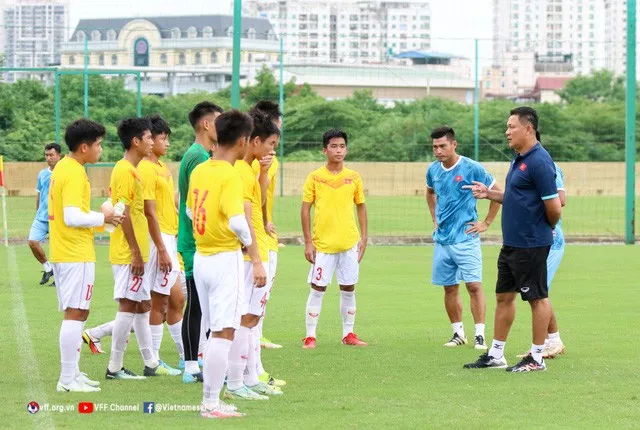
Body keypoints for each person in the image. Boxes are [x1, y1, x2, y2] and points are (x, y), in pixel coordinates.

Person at [463, 106, 562, 372]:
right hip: (512, 244)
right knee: (503, 296)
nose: (507, 132)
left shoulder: (540, 161)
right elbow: (515, 198)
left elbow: (554, 207)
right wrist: (488, 194)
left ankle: (537, 357)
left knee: (537, 298)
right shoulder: (519, 159)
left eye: (511, 127)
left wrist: (544, 229)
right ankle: (496, 354)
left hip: (532, 243)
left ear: (528, 128)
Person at [188, 110, 260, 418]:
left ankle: (211, 400)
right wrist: (252, 253)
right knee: (224, 331)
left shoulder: (201, 169)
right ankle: (211, 403)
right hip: (223, 258)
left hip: (202, 257)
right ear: (243, 140)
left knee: (215, 328)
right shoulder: (231, 174)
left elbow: (191, 212)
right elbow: (237, 221)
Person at [49, 119, 122, 392]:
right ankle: (67, 379)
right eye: (99, 144)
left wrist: (104, 221)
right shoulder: (73, 172)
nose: (101, 149)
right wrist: (104, 216)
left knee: (78, 312)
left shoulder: (67, 168)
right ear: (83, 147)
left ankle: (73, 373)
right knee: (75, 313)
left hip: (69, 250)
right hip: (73, 251)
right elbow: (71, 216)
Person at [106, 117, 172, 380]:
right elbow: (121, 213)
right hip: (128, 253)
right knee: (128, 305)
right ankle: (114, 367)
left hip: (139, 251)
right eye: (148, 137)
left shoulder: (133, 170)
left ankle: (151, 362)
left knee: (143, 305)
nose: (151, 141)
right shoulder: (124, 170)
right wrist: (134, 251)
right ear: (136, 141)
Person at [425, 126, 501, 350]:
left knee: (474, 285)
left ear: (454, 145)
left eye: (442, 146)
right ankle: (458, 333)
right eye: (435, 147)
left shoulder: (472, 168)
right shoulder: (433, 170)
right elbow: (429, 192)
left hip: (466, 237)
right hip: (443, 240)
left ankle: (480, 334)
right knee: (449, 287)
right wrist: (434, 217)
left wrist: (486, 222)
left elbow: (497, 192)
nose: (438, 151)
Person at [224, 111, 281, 400]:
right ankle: (237, 381)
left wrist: (262, 177)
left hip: (260, 250)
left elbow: (256, 207)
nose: (273, 150)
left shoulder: (249, 170)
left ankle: (249, 376)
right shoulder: (237, 171)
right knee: (245, 317)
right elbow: (244, 216)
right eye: (270, 143)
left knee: (252, 317)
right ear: (254, 141)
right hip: (251, 254)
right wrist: (255, 256)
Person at [301, 129, 368, 349]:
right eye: (333, 146)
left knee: (348, 287)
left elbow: (361, 207)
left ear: (346, 149)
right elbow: (305, 209)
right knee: (318, 288)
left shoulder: (354, 177)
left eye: (341, 146)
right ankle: (310, 336)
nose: (338, 150)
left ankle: (348, 333)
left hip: (349, 243)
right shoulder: (315, 177)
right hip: (323, 245)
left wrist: (364, 237)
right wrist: (308, 242)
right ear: (324, 150)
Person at [178, 101, 224, 383]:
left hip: (197, 239)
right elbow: (193, 205)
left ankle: (200, 360)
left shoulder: (200, 154)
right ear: (207, 124)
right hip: (195, 242)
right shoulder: (197, 157)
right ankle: (190, 365)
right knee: (195, 304)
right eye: (219, 120)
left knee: (203, 305)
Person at [138, 114, 183, 375]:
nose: (166, 143)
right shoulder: (145, 169)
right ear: (147, 140)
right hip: (159, 240)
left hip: (169, 236)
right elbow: (149, 212)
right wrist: (163, 248)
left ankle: (185, 357)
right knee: (159, 302)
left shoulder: (161, 167)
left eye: (167, 138)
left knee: (176, 300)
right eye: (162, 138)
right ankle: (152, 362)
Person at [249, 101, 286, 388]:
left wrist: (265, 219)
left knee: (249, 311)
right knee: (249, 312)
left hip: (259, 235)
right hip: (254, 243)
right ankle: (248, 374)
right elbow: (253, 201)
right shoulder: (257, 163)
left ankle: (250, 371)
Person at [29, 142, 61, 286]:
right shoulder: (42, 174)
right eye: (46, 155)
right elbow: (39, 195)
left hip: (58, 218)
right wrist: (37, 212)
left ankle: (59, 279)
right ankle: (48, 268)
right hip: (42, 217)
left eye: (51, 155)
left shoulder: (64, 172)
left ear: (58, 155)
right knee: (32, 242)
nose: (48, 158)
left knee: (58, 249)